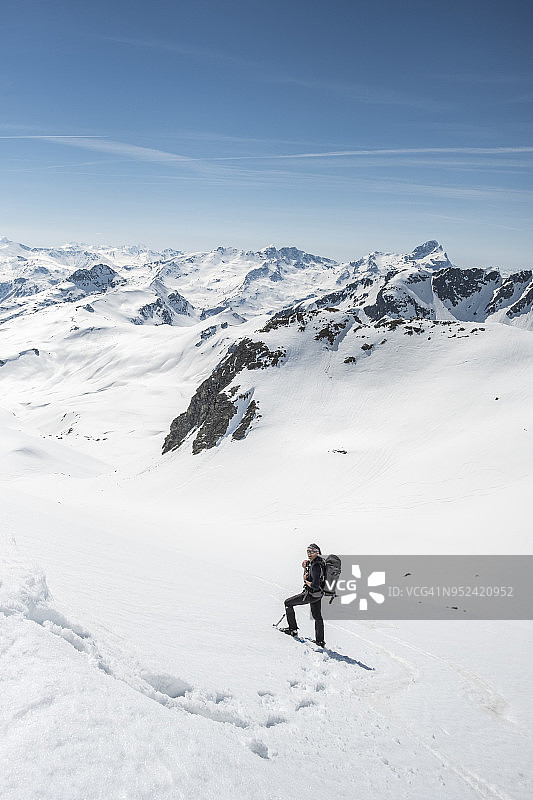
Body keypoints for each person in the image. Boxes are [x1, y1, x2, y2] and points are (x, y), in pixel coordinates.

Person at [280, 543, 325, 647]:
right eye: (308, 551)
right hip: (318, 595)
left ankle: (292, 629)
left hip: (311, 594)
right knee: (317, 616)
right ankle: (320, 641)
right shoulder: (319, 562)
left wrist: (306, 581)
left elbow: (315, 585)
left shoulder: (316, 566)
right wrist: (306, 566)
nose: (309, 553)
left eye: (311, 551)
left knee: (288, 603)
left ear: (317, 552)